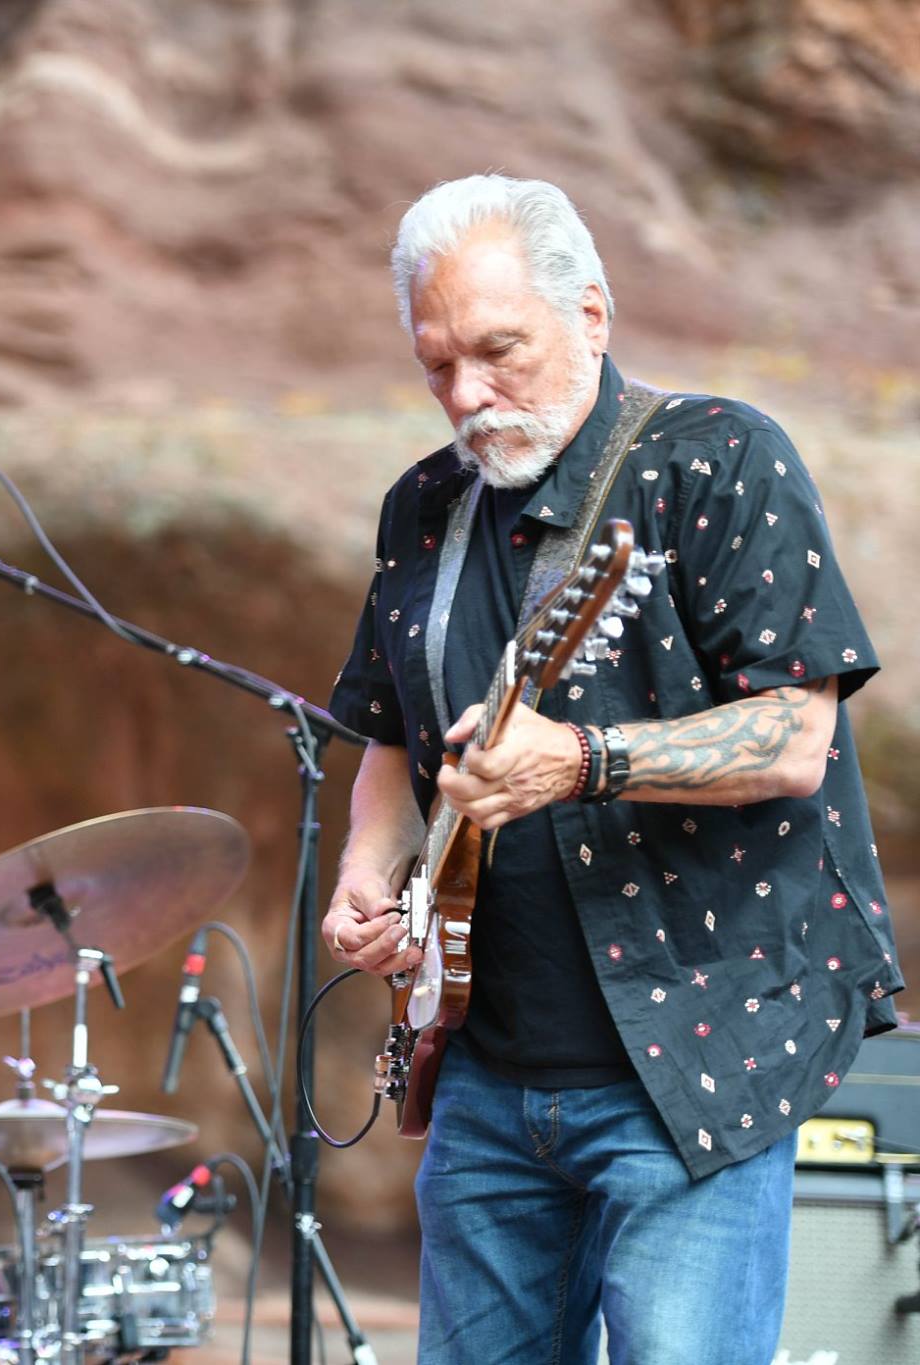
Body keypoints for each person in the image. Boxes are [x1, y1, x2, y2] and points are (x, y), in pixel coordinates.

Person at [323, 175, 901, 1363]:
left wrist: (581, 759)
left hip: (693, 1057)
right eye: (436, 365)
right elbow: (388, 734)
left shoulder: (718, 458)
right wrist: (366, 874)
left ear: (589, 313)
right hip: (483, 1067)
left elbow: (792, 736)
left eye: (497, 351)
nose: (466, 395)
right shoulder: (421, 509)